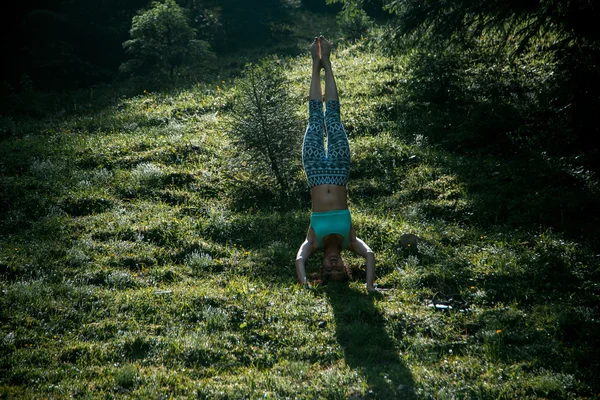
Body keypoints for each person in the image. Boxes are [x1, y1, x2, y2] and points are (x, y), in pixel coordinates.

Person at [295, 36, 376, 292]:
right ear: (344, 266)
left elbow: (299, 259)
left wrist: (305, 283)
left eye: (327, 271)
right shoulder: (350, 241)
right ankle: (326, 63)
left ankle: (314, 64)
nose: (332, 266)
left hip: (315, 169)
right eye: (338, 270)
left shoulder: (313, 240)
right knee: (333, 115)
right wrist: (369, 286)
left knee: (315, 118)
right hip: (340, 170)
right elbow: (370, 255)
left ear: (321, 268)